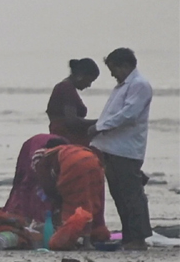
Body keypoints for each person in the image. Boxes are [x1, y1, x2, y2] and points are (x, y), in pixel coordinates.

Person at [89, 47, 154, 249]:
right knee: (119, 195)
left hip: (126, 149)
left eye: (114, 69)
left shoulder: (139, 85)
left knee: (131, 195)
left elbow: (129, 114)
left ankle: (138, 238)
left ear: (125, 66)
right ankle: (128, 237)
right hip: (112, 148)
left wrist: (99, 127)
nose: (112, 74)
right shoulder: (123, 86)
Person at [34, 140, 110, 250]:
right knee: (88, 203)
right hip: (93, 161)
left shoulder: (41, 156)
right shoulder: (69, 149)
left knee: (70, 204)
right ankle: (87, 242)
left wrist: (56, 201)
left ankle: (68, 240)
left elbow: (46, 183)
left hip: (73, 165)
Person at [47, 59, 101, 144]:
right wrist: (100, 122)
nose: (89, 85)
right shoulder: (66, 88)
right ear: (80, 76)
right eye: (89, 81)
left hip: (61, 137)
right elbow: (72, 121)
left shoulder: (64, 87)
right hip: (68, 139)